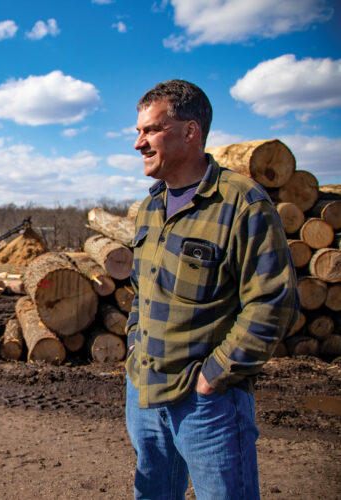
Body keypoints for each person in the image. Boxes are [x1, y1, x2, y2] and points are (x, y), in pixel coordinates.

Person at [124, 80, 299, 499]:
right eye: (138, 132)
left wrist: (213, 376)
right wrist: (134, 348)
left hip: (207, 404)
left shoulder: (242, 204)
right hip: (145, 395)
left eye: (150, 131)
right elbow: (140, 293)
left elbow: (273, 302)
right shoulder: (150, 208)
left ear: (190, 132)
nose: (138, 144)